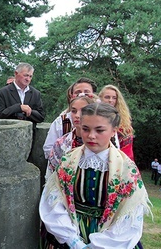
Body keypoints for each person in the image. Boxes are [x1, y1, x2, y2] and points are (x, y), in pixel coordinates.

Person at [40, 102, 151, 248]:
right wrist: (74, 241)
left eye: (100, 130)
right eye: (86, 129)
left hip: (111, 241)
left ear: (113, 131)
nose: (91, 136)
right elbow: (53, 202)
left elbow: (129, 215)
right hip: (69, 236)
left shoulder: (126, 169)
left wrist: (97, 246)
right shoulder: (68, 161)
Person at [45, 94, 99, 179]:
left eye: (83, 111)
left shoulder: (102, 142)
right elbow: (51, 176)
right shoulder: (61, 144)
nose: (77, 115)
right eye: (74, 111)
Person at [43, 77, 97, 159]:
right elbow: (48, 149)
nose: (82, 95)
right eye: (78, 92)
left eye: (86, 93)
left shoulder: (103, 121)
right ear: (71, 96)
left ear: (93, 96)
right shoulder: (61, 121)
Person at [99, 84, 134, 161]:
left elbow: (128, 149)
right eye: (107, 97)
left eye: (114, 98)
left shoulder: (123, 122)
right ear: (100, 98)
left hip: (120, 159)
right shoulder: (94, 117)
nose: (110, 100)